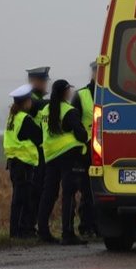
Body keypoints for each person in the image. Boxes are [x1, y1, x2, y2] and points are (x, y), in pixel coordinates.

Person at [37, 79, 90, 245]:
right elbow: (82, 135)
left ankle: (43, 231)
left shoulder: (46, 110)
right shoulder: (69, 111)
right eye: (69, 90)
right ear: (65, 92)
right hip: (69, 156)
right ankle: (67, 233)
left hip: (51, 155)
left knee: (48, 193)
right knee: (68, 194)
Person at [3, 84, 42, 239]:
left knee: (17, 199)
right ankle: (22, 231)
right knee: (24, 199)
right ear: (26, 102)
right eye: (30, 100)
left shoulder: (12, 117)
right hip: (23, 163)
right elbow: (39, 136)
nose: (32, 103)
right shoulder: (25, 119)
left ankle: (15, 231)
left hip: (14, 162)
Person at [71, 62, 98, 238]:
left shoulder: (112, 93)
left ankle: (100, 226)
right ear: (93, 72)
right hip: (86, 150)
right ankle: (86, 226)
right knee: (87, 191)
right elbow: (74, 123)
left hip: (107, 149)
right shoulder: (81, 95)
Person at [25, 66, 50, 225]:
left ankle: (33, 225)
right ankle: (29, 225)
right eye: (43, 81)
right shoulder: (30, 100)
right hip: (32, 154)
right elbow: (37, 105)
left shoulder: (37, 99)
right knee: (33, 192)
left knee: (39, 191)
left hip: (39, 152)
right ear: (34, 81)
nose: (46, 84)